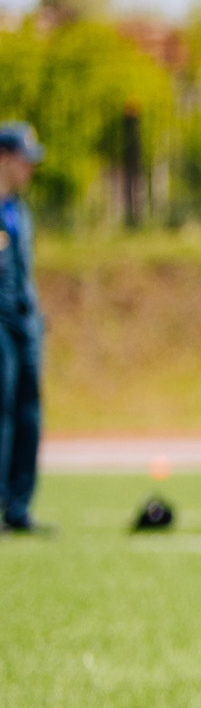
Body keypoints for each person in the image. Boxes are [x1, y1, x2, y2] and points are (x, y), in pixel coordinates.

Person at [0, 121, 45, 534]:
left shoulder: (19, 211)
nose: (29, 168)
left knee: (29, 412)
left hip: (25, 325)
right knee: (2, 411)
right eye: (24, 160)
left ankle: (18, 506)